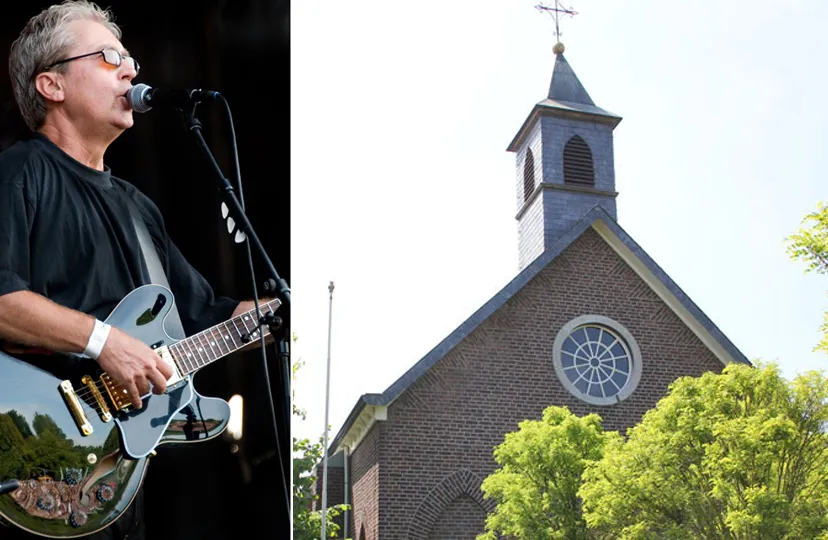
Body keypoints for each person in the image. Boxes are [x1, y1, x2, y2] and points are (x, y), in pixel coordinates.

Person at [0, 1, 271, 538]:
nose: (129, 70)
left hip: (115, 486)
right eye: (108, 57)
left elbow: (204, 316)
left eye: (130, 60)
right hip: (32, 447)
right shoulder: (19, 172)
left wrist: (275, 312)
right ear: (51, 85)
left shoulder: (138, 208)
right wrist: (105, 342)